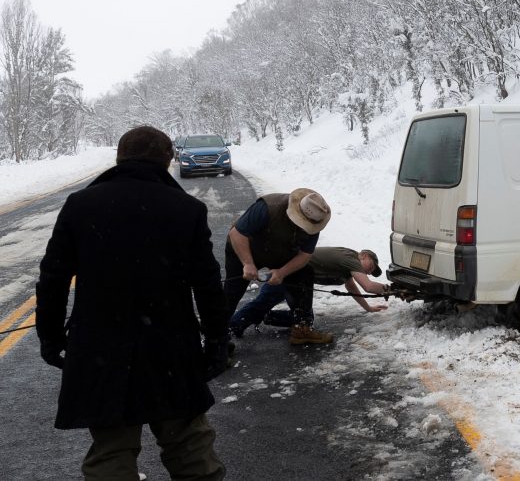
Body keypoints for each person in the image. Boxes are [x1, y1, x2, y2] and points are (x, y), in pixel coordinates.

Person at [35, 125, 229, 480]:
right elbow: (207, 283)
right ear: (168, 160)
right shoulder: (186, 209)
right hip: (170, 346)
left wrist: (49, 335)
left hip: (100, 349)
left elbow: (53, 278)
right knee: (189, 448)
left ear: (119, 158)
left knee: (111, 453)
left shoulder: (80, 206)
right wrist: (217, 340)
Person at [223, 188, 335, 345]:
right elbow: (237, 234)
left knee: (304, 274)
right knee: (232, 291)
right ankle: (218, 338)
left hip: (281, 253)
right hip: (245, 248)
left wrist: (282, 272)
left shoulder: (315, 220)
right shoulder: (268, 207)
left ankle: (301, 328)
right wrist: (248, 263)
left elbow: (305, 255)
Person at [229, 247, 390, 337]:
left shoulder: (348, 268)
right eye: (372, 266)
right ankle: (228, 328)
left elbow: (352, 289)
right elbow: (367, 286)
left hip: (297, 281)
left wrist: (367, 307)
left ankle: (266, 316)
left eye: (372, 271)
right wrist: (393, 290)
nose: (370, 271)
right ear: (364, 255)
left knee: (305, 320)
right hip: (287, 273)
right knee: (262, 303)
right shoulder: (351, 258)